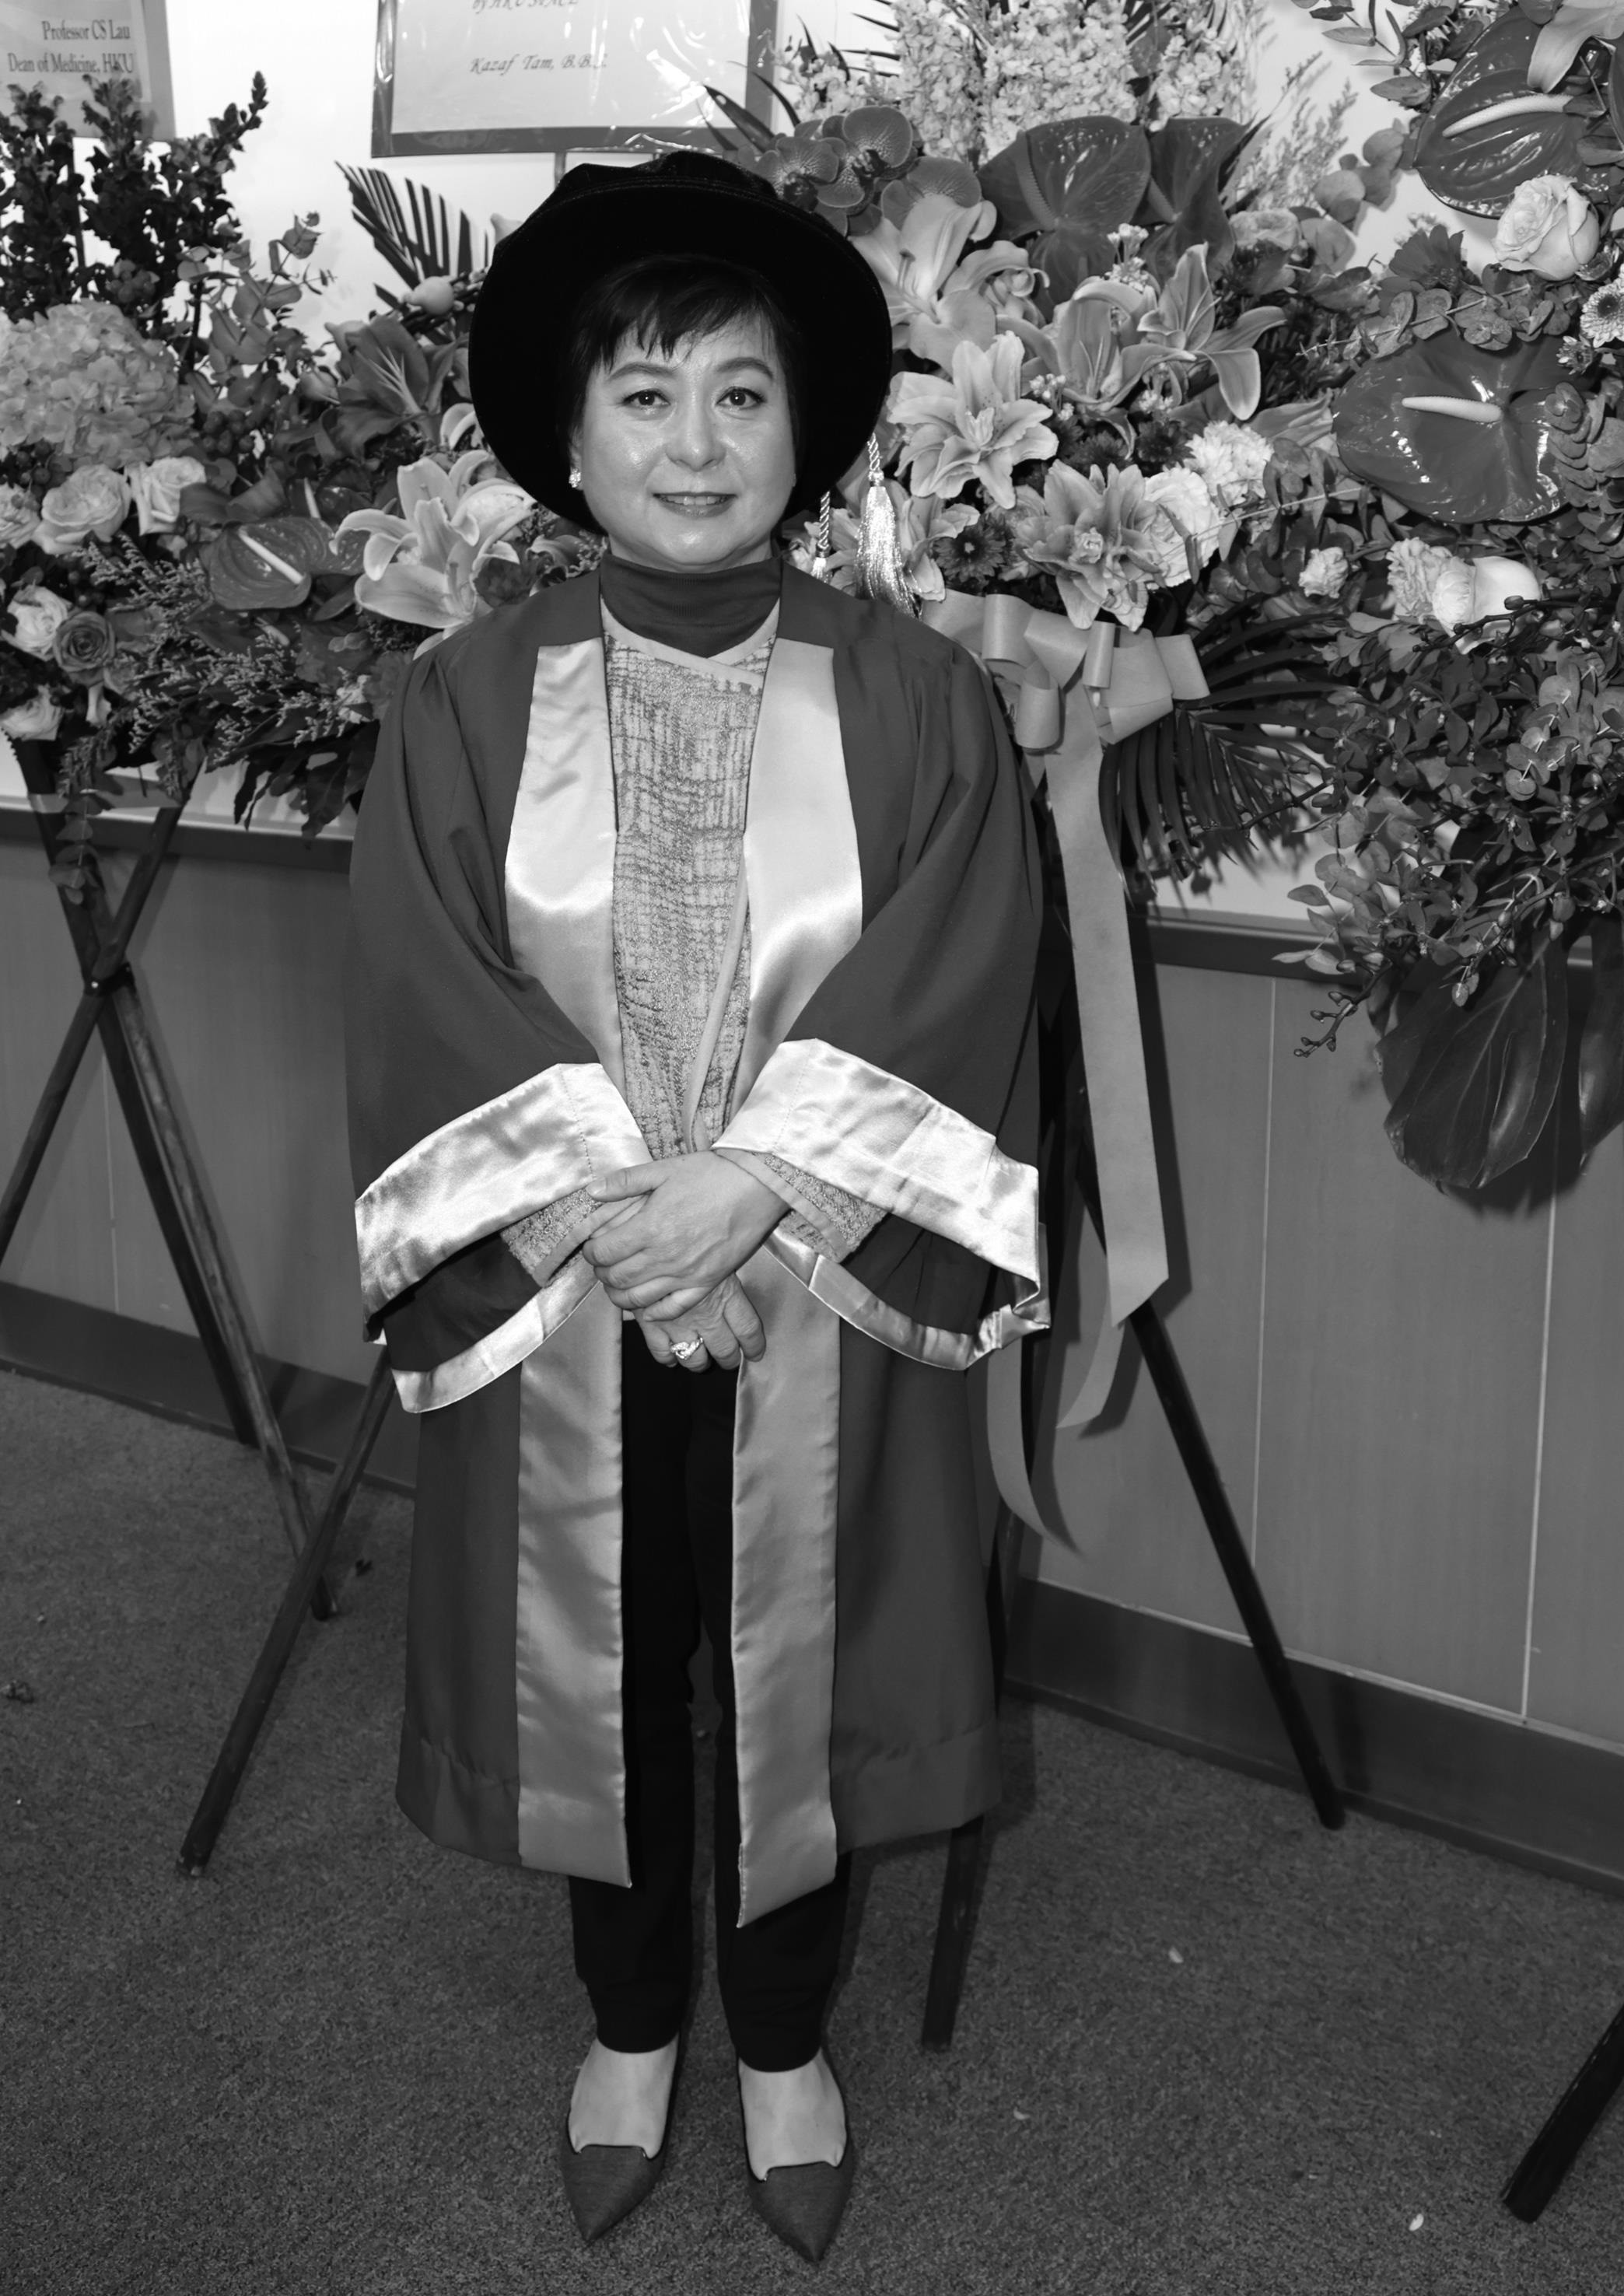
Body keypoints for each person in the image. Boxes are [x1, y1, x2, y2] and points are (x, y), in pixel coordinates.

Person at [345, 149, 1045, 2263]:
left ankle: (786, 2037)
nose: (695, 442)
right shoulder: (462, 702)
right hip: (573, 1290)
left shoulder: (914, 697)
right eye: (643, 395)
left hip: (820, 1276)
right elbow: (422, 983)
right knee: (616, 1670)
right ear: (565, 440)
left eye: (742, 394)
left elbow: (960, 964)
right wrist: (624, 1230)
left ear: (803, 436)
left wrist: (750, 1188)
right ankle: (633, 2018)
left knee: (796, 1685)